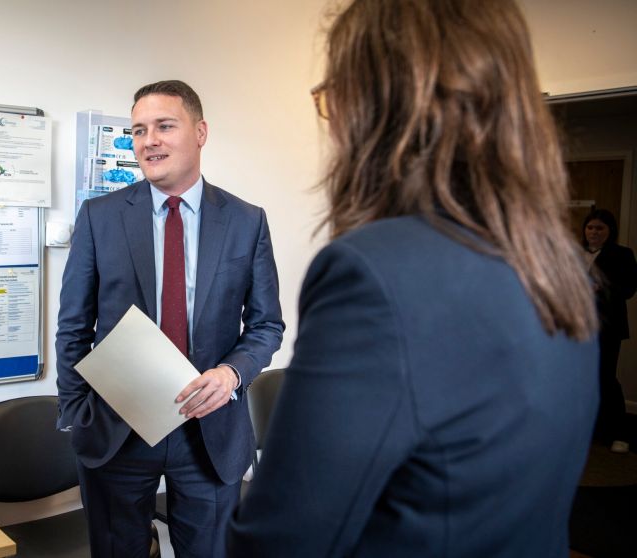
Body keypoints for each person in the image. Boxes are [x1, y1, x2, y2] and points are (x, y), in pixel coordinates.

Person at [228, 0, 599, 556]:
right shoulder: (560, 266)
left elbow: (278, 542)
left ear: (377, 108)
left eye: (334, 99)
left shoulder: (373, 275)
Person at [56, 79, 284, 557]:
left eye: (164, 126)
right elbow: (73, 326)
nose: (149, 140)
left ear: (200, 132)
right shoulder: (101, 217)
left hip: (209, 433)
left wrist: (232, 373)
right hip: (117, 430)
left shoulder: (246, 221)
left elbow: (266, 324)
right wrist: (78, 414)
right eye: (139, 130)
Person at [582, 208, 637, 454]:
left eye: (599, 228)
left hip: (607, 327)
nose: (593, 232)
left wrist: (599, 288)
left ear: (609, 231)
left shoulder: (622, 254)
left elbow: (628, 289)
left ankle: (619, 433)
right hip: (577, 328)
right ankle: (588, 430)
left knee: (605, 378)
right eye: (590, 227)